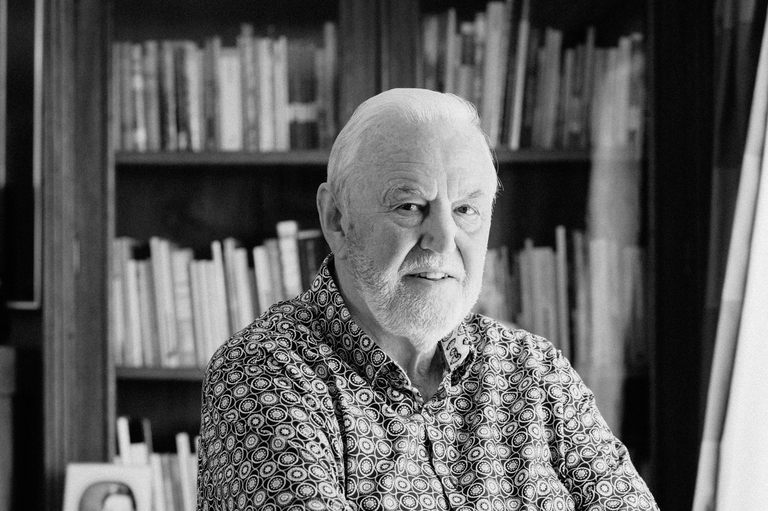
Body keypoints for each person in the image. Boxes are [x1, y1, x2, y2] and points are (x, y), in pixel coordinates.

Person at [197, 88, 659, 511]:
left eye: (465, 210)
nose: (442, 240)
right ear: (336, 218)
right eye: (410, 206)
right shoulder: (262, 374)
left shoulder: (536, 373)